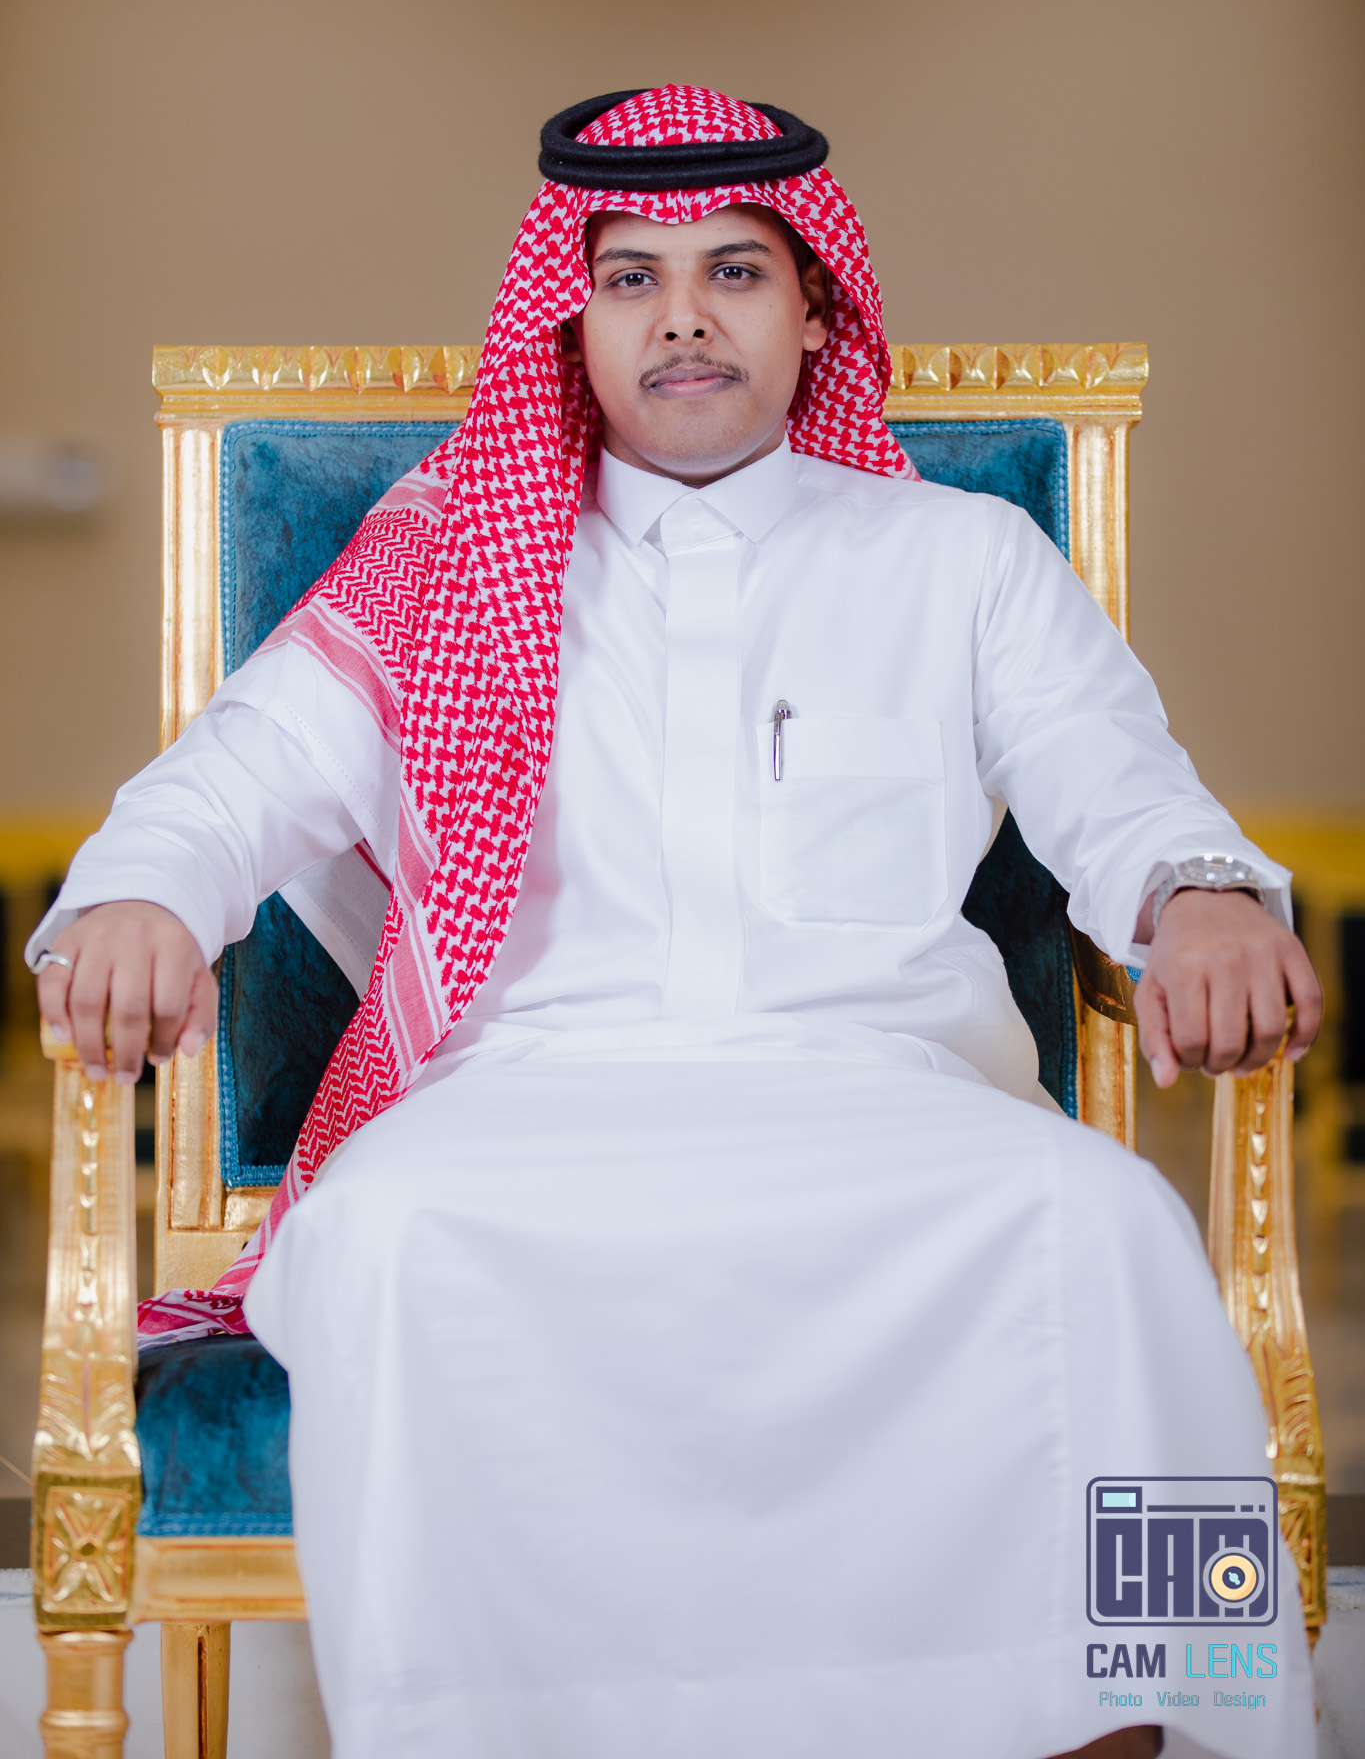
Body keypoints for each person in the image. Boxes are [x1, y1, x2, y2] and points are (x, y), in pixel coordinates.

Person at [30, 88, 1321, 1759]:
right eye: (630, 277)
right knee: (391, 1235)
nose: (684, 317)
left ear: (816, 311)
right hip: (522, 1106)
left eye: (735, 271)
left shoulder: (960, 559)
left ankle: (1138, 1718)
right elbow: (229, 783)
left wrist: (1197, 895)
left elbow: (1116, 777)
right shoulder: (447, 567)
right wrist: (138, 894)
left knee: (1107, 1228)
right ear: (567, 323)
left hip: (887, 1109)